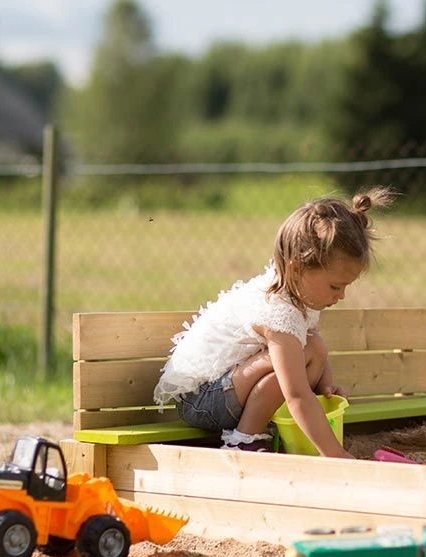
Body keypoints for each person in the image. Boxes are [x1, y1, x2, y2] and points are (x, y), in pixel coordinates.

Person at [154, 188, 394, 457]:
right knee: (296, 363)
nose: (341, 295)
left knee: (310, 347)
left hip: (227, 389)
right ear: (296, 267)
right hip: (202, 400)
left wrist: (325, 384)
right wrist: (335, 454)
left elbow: (312, 341)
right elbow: (297, 395)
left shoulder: (300, 293)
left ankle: (247, 433)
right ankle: (244, 439)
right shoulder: (279, 312)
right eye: (335, 286)